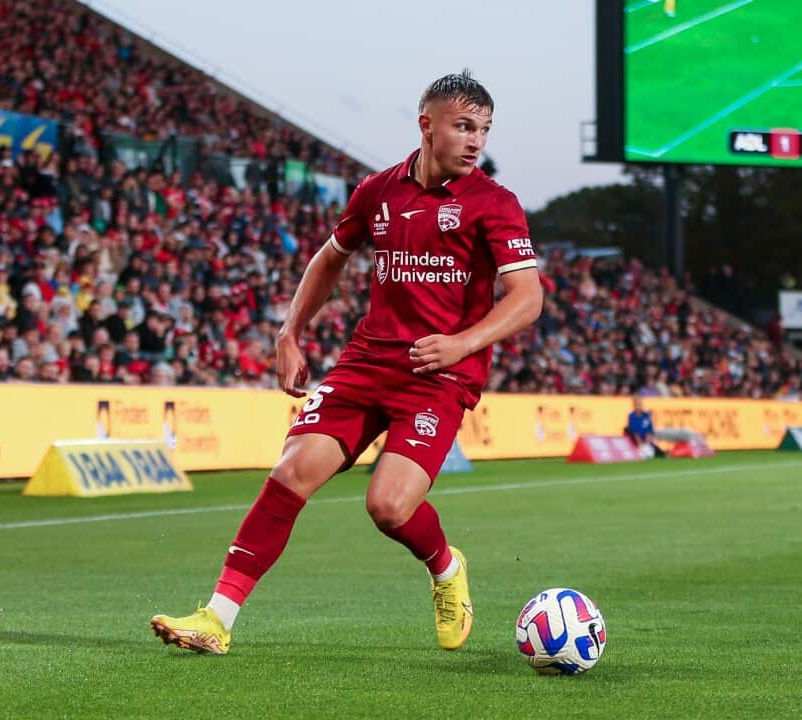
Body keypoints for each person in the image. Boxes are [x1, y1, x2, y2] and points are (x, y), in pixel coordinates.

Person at [150, 71, 543, 656]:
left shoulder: (494, 203)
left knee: (387, 507)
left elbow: (528, 297)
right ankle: (217, 617)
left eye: (483, 130)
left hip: (440, 375)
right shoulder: (378, 191)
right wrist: (290, 332)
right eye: (463, 126)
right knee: (290, 472)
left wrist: (462, 344)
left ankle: (444, 564)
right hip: (367, 362)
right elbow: (329, 259)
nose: (475, 141)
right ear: (426, 125)